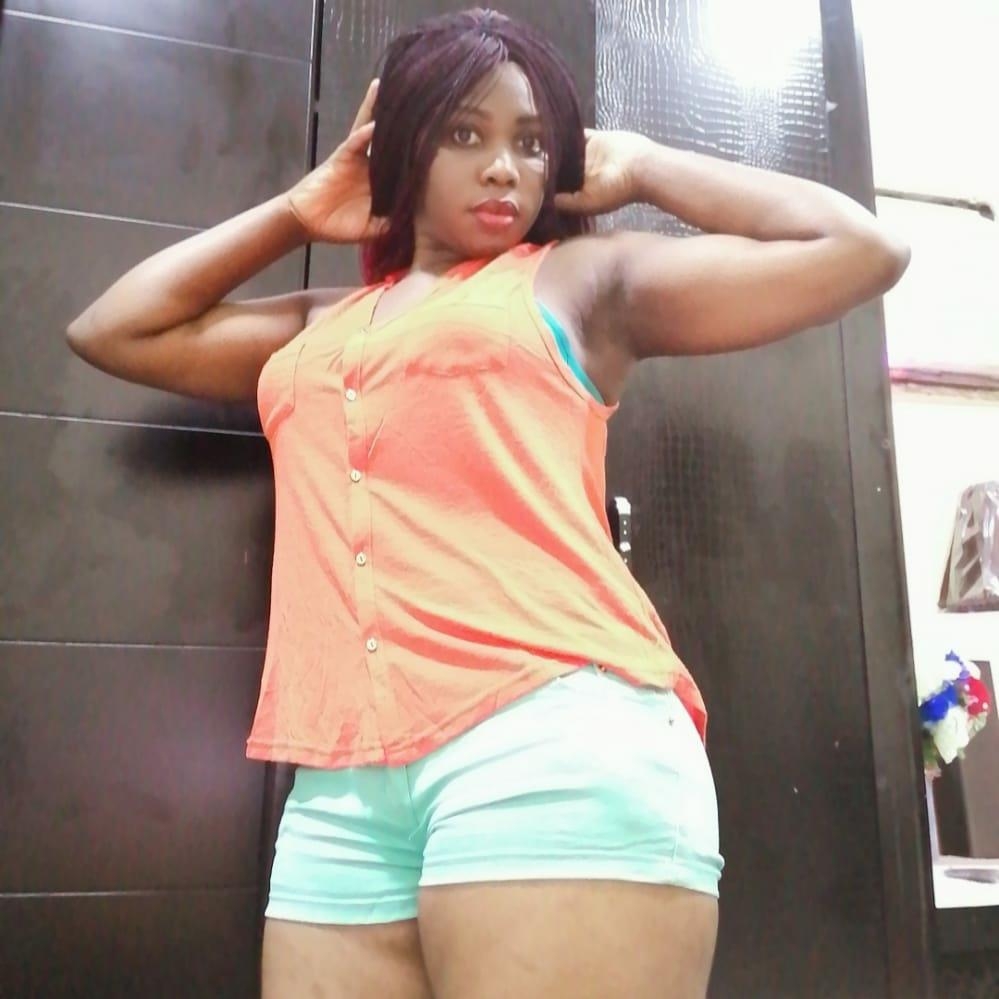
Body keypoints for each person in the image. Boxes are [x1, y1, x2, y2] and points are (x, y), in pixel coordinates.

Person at [66, 9, 910, 998]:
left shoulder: (576, 283)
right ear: (401, 145)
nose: (505, 167)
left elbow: (859, 249)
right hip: (343, 784)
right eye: (465, 133)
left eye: (532, 141)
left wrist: (643, 166)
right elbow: (113, 328)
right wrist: (298, 210)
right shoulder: (317, 325)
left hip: (548, 740)